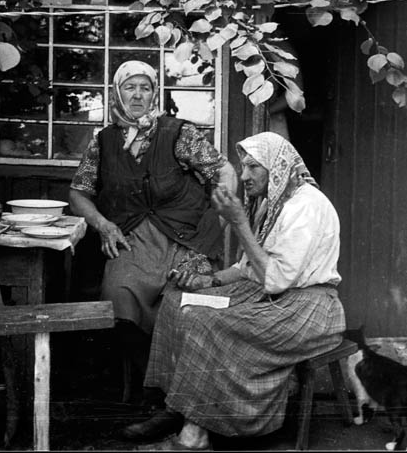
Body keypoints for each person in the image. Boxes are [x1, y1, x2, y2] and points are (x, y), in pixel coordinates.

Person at [126, 131, 346, 450]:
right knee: (178, 302)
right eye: (243, 166)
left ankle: (194, 436)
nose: (244, 176)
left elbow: (276, 280)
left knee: (206, 323)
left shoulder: (306, 207)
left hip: (306, 310)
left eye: (254, 167)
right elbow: (247, 267)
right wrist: (211, 281)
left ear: (277, 166)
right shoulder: (272, 202)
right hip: (265, 293)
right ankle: (178, 408)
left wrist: (240, 223)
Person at [68, 60, 237, 399]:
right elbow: (78, 193)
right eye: (130, 87)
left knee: (189, 303)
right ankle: (158, 388)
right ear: (117, 92)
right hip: (132, 241)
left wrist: (223, 207)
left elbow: (223, 169)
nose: (137, 95)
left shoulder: (178, 133)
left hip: (186, 239)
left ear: (154, 93)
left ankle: (188, 393)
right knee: (118, 296)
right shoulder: (103, 141)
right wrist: (102, 224)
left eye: (145, 88)